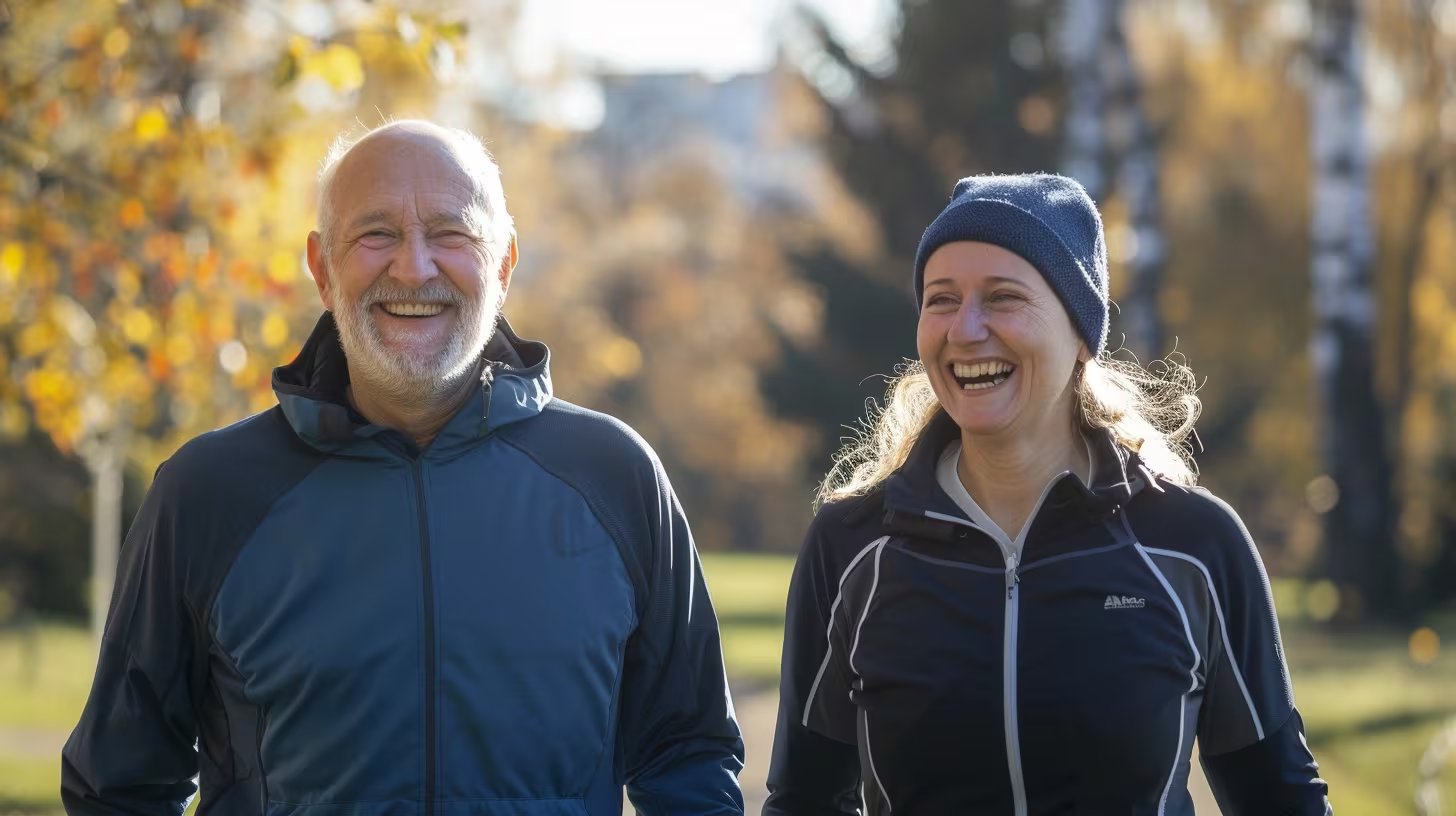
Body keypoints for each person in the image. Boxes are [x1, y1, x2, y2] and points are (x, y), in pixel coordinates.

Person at [62, 120, 745, 815]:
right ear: (322, 267)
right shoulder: (207, 494)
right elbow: (118, 785)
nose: (414, 268)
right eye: (376, 234)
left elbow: (688, 757)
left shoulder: (614, 478)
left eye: (451, 233)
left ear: (504, 265)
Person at [764, 174, 1331, 815]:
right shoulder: (852, 547)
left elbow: (1279, 798)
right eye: (941, 299)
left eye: (1004, 297)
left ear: (1083, 336)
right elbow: (803, 800)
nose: (966, 329)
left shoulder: (1192, 544)